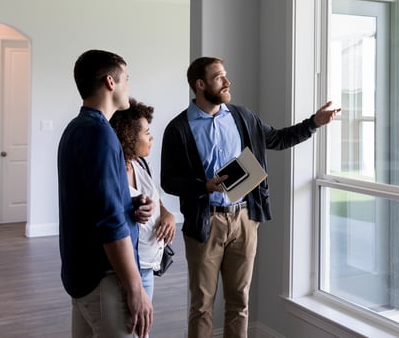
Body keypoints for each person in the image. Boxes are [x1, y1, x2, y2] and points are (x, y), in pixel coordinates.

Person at [160, 56, 340, 338]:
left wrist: (314, 122)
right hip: (205, 223)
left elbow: (278, 139)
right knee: (201, 306)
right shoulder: (179, 128)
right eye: (219, 77)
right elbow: (169, 181)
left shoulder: (242, 117)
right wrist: (205, 186)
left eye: (225, 75)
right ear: (200, 84)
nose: (227, 81)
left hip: (245, 220)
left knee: (240, 302)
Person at [57, 49, 153, 338]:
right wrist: (135, 287)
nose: (128, 87)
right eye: (127, 79)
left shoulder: (76, 128)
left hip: (81, 277)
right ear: (111, 82)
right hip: (105, 280)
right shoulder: (100, 134)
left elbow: (90, 200)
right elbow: (109, 221)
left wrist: (131, 202)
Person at [110, 98, 176, 299]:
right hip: (128, 271)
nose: (151, 138)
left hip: (149, 267)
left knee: (143, 330)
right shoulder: (113, 172)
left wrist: (167, 214)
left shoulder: (141, 164)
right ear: (129, 137)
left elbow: (156, 199)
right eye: (146, 133)